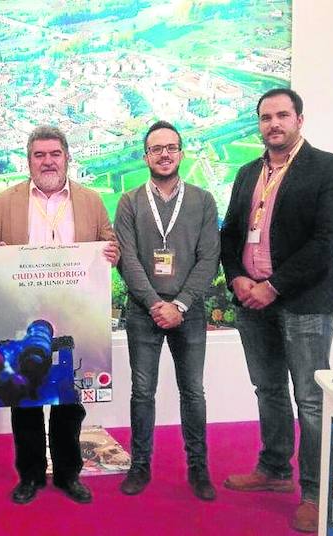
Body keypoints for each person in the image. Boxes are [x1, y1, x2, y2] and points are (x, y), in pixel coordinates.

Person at [220, 88, 333, 532]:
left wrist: (273, 287)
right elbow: (232, 233)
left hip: (304, 302)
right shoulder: (245, 173)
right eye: (265, 117)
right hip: (251, 301)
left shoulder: (330, 168)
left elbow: (327, 242)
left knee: (311, 401)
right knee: (268, 389)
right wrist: (238, 277)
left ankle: (314, 492)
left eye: (281, 115)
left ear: (299, 118)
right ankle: (274, 470)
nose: (273, 124)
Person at [0, 125, 120, 505]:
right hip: (21, 312)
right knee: (25, 399)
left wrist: (110, 255)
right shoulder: (5, 201)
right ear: (29, 161)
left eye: (54, 154)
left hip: (75, 310)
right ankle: (30, 476)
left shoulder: (90, 200)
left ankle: (69, 474)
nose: (48, 161)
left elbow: (110, 243)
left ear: (67, 157)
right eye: (39, 155)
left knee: (70, 399)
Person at [114, 120, 220, 501]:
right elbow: (127, 260)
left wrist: (180, 304)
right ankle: (140, 466)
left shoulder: (202, 200)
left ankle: (198, 468)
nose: (164, 154)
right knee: (142, 392)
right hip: (144, 311)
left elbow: (209, 259)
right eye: (156, 148)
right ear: (146, 156)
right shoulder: (129, 201)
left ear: (181, 153)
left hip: (187, 311)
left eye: (171, 147)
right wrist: (155, 304)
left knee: (193, 391)